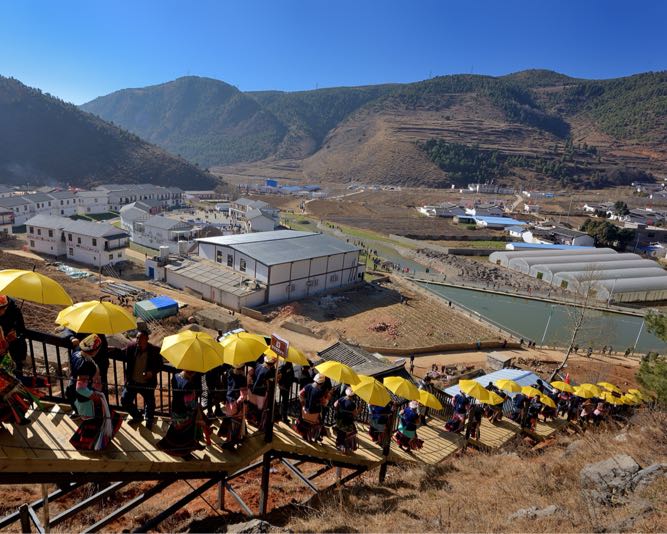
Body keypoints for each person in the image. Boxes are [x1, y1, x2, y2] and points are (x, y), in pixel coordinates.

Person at [68, 335, 123, 451]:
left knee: (92, 422)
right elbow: (81, 388)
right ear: (95, 350)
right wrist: (95, 397)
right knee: (92, 423)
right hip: (87, 400)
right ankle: (88, 446)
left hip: (80, 397)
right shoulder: (85, 364)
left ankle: (88, 444)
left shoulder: (77, 353)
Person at [157, 370, 210, 457]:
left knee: (175, 430)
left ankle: (166, 445)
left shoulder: (176, 376)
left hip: (175, 410)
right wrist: (197, 405)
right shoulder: (188, 385)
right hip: (185, 414)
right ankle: (185, 452)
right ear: (191, 373)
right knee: (186, 434)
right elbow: (188, 403)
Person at [120, 330, 162, 430]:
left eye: (141, 338)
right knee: (125, 401)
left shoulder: (154, 350)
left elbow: (160, 365)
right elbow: (121, 352)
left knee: (150, 403)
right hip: (132, 382)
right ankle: (137, 416)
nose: (138, 340)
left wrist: (152, 372)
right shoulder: (131, 347)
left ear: (147, 339)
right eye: (137, 338)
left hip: (147, 383)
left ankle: (149, 421)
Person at [218, 364, 247, 448]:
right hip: (235, 403)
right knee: (235, 422)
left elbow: (226, 385)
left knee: (231, 421)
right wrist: (238, 402)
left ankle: (232, 440)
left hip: (230, 400)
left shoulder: (229, 372)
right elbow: (243, 394)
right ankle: (233, 440)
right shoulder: (242, 378)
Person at [295, 373, 328, 443]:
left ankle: (305, 436)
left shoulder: (308, 386)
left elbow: (300, 394)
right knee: (318, 425)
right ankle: (314, 437)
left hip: (306, 409)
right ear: (322, 383)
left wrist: (303, 404)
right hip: (315, 412)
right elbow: (324, 403)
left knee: (305, 423)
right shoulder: (320, 392)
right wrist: (328, 397)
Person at [0, 295, 27, 377]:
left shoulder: (15, 311)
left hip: (15, 349)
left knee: (16, 373)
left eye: (2, 310)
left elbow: (22, 331)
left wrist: (15, 335)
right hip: (2, 349)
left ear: (6, 307)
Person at [247, 354, 277, 428]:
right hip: (261, 393)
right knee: (260, 409)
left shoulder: (258, 365)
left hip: (253, 391)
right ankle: (259, 423)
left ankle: (252, 419)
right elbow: (263, 381)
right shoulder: (267, 371)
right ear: (271, 364)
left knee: (253, 406)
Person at [333, 387, 359, 454]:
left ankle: (339, 442)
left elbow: (335, 405)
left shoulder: (341, 399)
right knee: (353, 431)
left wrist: (339, 410)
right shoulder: (352, 404)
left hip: (339, 419)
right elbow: (355, 414)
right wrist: (359, 410)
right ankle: (347, 445)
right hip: (347, 422)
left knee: (340, 431)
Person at [277, 359, 294, 424]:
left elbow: (292, 376)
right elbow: (279, 377)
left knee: (285, 402)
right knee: (284, 403)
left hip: (286, 387)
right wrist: (281, 385)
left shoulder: (289, 366)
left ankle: (283, 416)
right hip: (284, 387)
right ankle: (284, 417)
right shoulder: (283, 367)